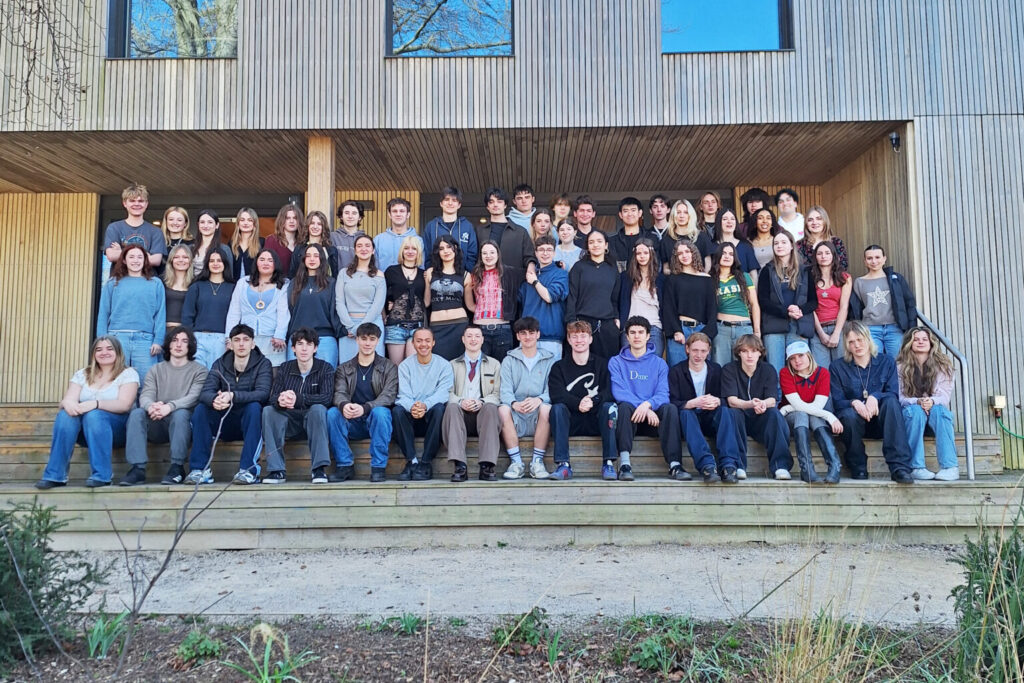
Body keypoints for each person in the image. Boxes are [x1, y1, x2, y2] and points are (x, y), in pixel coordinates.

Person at [35, 337, 140, 489]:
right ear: (93, 354)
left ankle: (102, 476)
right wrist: (68, 403)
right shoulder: (83, 374)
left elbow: (124, 405)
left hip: (116, 431)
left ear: (118, 352)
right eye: (99, 349)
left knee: (94, 415)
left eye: (109, 348)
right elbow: (68, 399)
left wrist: (95, 404)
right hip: (86, 432)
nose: (104, 352)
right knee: (65, 415)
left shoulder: (128, 373)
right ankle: (55, 476)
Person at [185, 324, 273, 485]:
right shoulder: (219, 364)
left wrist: (232, 395)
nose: (241, 344)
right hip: (223, 421)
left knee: (255, 408)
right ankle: (200, 470)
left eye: (246, 340)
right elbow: (205, 393)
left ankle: (248, 471)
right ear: (230, 344)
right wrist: (215, 400)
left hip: (249, 423)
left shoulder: (263, 363)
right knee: (201, 409)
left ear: (253, 344)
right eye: (237, 340)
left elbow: (263, 394)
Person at [829, 321, 915, 483]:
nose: (857, 345)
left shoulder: (886, 362)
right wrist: (854, 402)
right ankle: (858, 466)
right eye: (851, 342)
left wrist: (875, 397)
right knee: (847, 414)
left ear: (868, 339)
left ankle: (900, 468)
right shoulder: (837, 367)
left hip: (882, 423)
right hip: (854, 426)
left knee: (891, 403)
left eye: (860, 340)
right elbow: (837, 401)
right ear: (846, 345)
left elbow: (893, 393)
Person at [121, 327, 208, 486]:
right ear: (168, 344)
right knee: (137, 413)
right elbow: (146, 395)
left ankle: (177, 467)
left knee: (181, 413)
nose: (179, 345)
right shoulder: (156, 369)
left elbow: (193, 397)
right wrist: (151, 406)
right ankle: (137, 469)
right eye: (174, 340)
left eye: (184, 341)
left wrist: (169, 407)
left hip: (183, 425)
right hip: (157, 421)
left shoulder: (200, 371)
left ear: (190, 345)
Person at [608, 317, 681, 481]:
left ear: (648, 336)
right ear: (627, 337)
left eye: (641, 332)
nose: (637, 336)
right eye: (632, 332)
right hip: (629, 420)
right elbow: (619, 392)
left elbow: (663, 394)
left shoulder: (659, 363)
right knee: (623, 406)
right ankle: (625, 465)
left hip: (654, 421)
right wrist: (644, 409)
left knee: (670, 409)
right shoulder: (616, 362)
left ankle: (675, 465)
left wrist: (648, 405)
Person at [261, 328, 335, 484]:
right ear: (293, 348)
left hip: (314, 421)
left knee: (318, 409)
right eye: (300, 344)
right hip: (290, 420)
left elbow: (327, 398)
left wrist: (299, 399)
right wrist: (280, 400)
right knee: (268, 411)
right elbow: (272, 397)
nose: (304, 348)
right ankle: (276, 470)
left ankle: (319, 469)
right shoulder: (285, 368)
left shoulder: (325, 368)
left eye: (309, 344)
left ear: (315, 348)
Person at [327, 322, 398, 483]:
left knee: (381, 412)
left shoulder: (388, 367)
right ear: (357, 340)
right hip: (352, 420)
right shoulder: (344, 368)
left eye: (372, 339)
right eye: (364, 339)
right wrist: (345, 405)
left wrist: (366, 408)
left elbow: (389, 396)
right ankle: (345, 465)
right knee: (332, 413)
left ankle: (378, 467)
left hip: (376, 421)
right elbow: (339, 393)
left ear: (377, 341)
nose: (367, 343)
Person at [549, 321, 618, 480]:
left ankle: (608, 463)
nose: (579, 340)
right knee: (557, 408)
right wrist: (577, 403)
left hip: (596, 420)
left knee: (610, 407)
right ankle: (563, 465)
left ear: (590, 339)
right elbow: (557, 394)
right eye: (574, 336)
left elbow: (610, 392)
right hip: (571, 421)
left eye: (583, 336)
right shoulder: (559, 367)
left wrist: (593, 401)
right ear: (568, 339)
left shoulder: (602, 364)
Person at [668, 332, 740, 483]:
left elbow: (727, 399)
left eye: (703, 351)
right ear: (687, 349)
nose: (698, 355)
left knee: (725, 411)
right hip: (689, 422)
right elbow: (672, 402)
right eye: (695, 350)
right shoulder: (676, 371)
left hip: (710, 417)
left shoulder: (716, 369)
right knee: (686, 413)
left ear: (709, 351)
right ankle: (707, 466)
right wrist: (692, 403)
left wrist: (717, 401)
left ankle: (728, 465)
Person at [722, 334, 793, 480]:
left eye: (754, 351)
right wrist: (750, 404)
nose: (750, 355)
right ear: (739, 353)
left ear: (760, 353)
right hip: (739, 418)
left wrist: (762, 404)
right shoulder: (729, 369)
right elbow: (731, 401)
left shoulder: (768, 369)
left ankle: (780, 466)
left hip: (760, 420)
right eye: (745, 351)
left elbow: (772, 400)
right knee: (732, 412)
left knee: (774, 413)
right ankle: (738, 465)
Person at [96, 243, 166, 381]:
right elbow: (103, 313)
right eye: (131, 257)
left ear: (145, 260)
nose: (136, 260)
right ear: (124, 260)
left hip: (145, 341)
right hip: (117, 339)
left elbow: (160, 313)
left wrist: (158, 340)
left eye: (140, 257)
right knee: (116, 382)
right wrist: (102, 341)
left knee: (146, 383)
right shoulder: (112, 283)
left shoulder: (155, 283)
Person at [897, 327, 959, 481]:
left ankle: (950, 467)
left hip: (935, 417)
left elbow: (944, 397)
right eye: (916, 339)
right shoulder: (900, 367)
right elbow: (900, 397)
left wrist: (931, 401)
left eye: (924, 339)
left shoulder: (944, 366)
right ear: (909, 343)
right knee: (915, 411)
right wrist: (918, 401)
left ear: (931, 343)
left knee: (940, 411)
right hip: (912, 417)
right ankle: (916, 467)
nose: (920, 342)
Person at [442, 325, 502, 482]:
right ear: (463, 339)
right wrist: (460, 401)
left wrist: (482, 402)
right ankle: (460, 465)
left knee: (491, 407)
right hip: (460, 415)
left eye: (477, 336)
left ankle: (487, 466)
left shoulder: (494, 364)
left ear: (482, 339)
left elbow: (497, 394)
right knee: (452, 407)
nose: (473, 339)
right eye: (469, 336)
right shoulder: (451, 365)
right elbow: (446, 392)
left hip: (484, 416)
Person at [497, 317, 556, 479]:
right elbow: (505, 390)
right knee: (502, 409)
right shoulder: (509, 360)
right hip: (516, 414)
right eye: (523, 333)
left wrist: (539, 399)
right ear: (517, 336)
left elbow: (553, 390)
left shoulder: (549, 360)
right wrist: (513, 403)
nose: (527, 337)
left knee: (547, 408)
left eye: (531, 332)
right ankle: (516, 463)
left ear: (538, 334)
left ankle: (537, 462)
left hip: (538, 415)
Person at [392, 327, 454, 481]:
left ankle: (426, 462)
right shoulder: (405, 366)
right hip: (411, 417)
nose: (423, 344)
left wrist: (425, 405)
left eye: (427, 340)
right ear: (413, 343)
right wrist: (413, 407)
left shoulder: (444, 365)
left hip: (431, 418)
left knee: (440, 409)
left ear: (433, 343)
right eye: (419, 341)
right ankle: (412, 461)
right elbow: (403, 394)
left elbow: (444, 393)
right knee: (397, 411)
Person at [779, 341, 842, 484]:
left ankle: (835, 466)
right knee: (802, 414)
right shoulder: (785, 373)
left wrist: (788, 407)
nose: (797, 361)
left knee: (813, 415)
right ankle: (806, 469)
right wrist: (829, 416)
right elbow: (798, 405)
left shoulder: (822, 373)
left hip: (813, 416)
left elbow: (818, 406)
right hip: (792, 420)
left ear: (809, 355)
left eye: (800, 356)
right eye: (792, 358)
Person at [757, 231, 817, 372]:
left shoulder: (805, 271)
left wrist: (800, 310)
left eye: (783, 242)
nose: (779, 246)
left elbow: (813, 301)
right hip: (774, 327)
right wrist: (786, 312)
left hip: (798, 326)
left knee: (799, 370)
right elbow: (763, 301)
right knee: (776, 370)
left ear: (791, 246)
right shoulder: (767, 270)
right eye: (776, 243)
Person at [226, 248, 290, 367]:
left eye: (270, 260)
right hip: (246, 341)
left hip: (272, 342)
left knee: (272, 375)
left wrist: (280, 335)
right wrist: (229, 338)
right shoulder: (243, 283)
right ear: (256, 262)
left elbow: (283, 312)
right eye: (262, 259)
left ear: (276, 264)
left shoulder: (283, 284)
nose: (266, 263)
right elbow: (234, 312)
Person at [851, 245, 918, 357]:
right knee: (875, 361)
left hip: (895, 328)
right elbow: (855, 309)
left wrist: (912, 328)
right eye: (869, 258)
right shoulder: (859, 282)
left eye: (877, 257)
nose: (874, 261)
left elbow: (909, 303)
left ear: (884, 259)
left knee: (897, 362)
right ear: (865, 261)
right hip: (870, 329)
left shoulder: (895, 279)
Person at [662, 239, 717, 367]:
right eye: (680, 253)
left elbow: (712, 309)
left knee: (701, 372)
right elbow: (668, 307)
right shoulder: (673, 279)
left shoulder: (706, 279)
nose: (684, 255)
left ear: (694, 253)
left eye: (687, 251)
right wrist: (676, 330)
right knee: (677, 372)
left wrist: (706, 333)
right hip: (680, 331)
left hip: (701, 330)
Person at [566, 230, 621, 359]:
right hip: (582, 325)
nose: (595, 245)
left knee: (607, 365)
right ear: (587, 246)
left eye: (599, 241)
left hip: (607, 325)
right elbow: (572, 297)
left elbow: (614, 298)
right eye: (591, 242)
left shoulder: (612, 269)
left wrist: (616, 319)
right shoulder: (579, 267)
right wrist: (571, 322)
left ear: (606, 245)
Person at [287, 244, 344, 367]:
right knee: (294, 376)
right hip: (298, 338)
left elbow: (336, 310)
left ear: (322, 259)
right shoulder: (294, 283)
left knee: (326, 376)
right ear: (303, 259)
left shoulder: (331, 283)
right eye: (308, 256)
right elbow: (289, 310)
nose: (312, 259)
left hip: (325, 338)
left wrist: (343, 330)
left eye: (316, 256)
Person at [466, 240, 521, 362]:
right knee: (480, 368)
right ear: (480, 256)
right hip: (480, 329)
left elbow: (529, 273)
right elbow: (470, 305)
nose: (488, 256)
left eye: (492, 252)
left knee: (502, 368)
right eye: (484, 253)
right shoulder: (474, 275)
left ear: (498, 254)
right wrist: (483, 310)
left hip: (502, 329)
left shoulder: (508, 273)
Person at [182, 249, 236, 368]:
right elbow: (187, 315)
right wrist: (190, 338)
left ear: (225, 263)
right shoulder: (196, 286)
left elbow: (236, 315)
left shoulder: (233, 288)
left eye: (219, 260)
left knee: (217, 375)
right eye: (211, 261)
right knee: (197, 374)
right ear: (207, 264)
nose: (215, 264)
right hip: (198, 337)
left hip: (222, 339)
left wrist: (231, 339)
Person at [335, 234, 386, 362]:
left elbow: (377, 306)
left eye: (367, 246)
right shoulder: (343, 273)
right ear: (355, 250)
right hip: (348, 327)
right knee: (347, 367)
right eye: (359, 246)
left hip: (372, 325)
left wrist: (361, 329)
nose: (363, 249)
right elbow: (339, 302)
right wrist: (351, 327)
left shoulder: (379, 275)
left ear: (373, 250)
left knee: (373, 367)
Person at [710, 243, 760, 367]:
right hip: (721, 329)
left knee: (745, 368)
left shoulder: (744, 276)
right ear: (718, 255)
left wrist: (757, 331)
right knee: (720, 368)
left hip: (744, 328)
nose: (727, 256)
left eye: (731, 254)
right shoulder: (710, 279)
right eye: (724, 253)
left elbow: (754, 304)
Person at [424, 235, 473, 361]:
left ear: (455, 248)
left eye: (448, 247)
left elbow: (470, 305)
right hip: (437, 326)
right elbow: (426, 302)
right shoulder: (430, 272)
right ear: (437, 252)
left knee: (459, 365)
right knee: (439, 364)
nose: (446, 251)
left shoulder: (466, 275)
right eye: (441, 248)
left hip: (459, 325)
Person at [520, 235, 569, 360]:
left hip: (550, 338)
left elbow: (550, 297)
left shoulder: (561, 274)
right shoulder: (528, 276)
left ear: (554, 253)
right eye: (541, 250)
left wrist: (535, 281)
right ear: (536, 253)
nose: (545, 253)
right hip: (528, 336)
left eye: (549, 250)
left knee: (551, 373)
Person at [383, 235, 427, 365]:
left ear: (418, 252)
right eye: (406, 248)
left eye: (414, 248)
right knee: (396, 367)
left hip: (417, 327)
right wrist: (384, 314)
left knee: (412, 367)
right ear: (402, 251)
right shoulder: (391, 271)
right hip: (395, 326)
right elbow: (382, 295)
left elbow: (426, 300)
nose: (410, 251)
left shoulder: (423, 274)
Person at [618, 238, 665, 357]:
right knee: (629, 363)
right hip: (630, 327)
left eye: (645, 253)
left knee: (653, 363)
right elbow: (618, 301)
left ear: (651, 254)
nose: (642, 256)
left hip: (654, 327)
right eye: (639, 253)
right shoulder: (625, 278)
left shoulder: (661, 279)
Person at [809, 241, 852, 368]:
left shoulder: (844, 277)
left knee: (842, 369)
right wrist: (821, 333)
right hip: (818, 329)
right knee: (822, 370)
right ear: (815, 257)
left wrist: (837, 333)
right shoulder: (809, 277)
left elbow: (844, 306)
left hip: (839, 327)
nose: (823, 256)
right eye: (819, 253)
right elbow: (810, 307)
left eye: (827, 253)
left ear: (833, 255)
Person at [103, 183, 165, 269]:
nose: (136, 204)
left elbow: (156, 260)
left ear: (146, 204)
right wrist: (146, 256)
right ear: (125, 203)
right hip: (120, 276)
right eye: (132, 201)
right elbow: (111, 256)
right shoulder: (114, 228)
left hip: (147, 277)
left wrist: (122, 252)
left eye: (141, 201)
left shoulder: (155, 231)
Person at [476, 187, 535, 270]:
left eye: (499, 201)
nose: (495, 205)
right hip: (485, 276)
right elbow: (474, 257)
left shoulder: (520, 232)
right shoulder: (480, 231)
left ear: (505, 205)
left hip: (514, 276)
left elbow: (529, 257)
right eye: (491, 202)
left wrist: (531, 268)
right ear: (487, 206)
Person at [422, 187, 478, 270]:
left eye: (454, 200)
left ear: (459, 205)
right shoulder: (431, 226)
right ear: (441, 203)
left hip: (462, 275)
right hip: (436, 274)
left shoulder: (467, 226)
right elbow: (426, 253)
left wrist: (466, 272)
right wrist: (431, 270)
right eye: (446, 199)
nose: (450, 203)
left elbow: (472, 255)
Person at [662, 199, 713, 272]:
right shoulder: (666, 240)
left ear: (690, 215)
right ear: (673, 215)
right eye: (678, 212)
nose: (682, 216)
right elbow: (665, 268)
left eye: (686, 212)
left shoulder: (702, 237)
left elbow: (708, 264)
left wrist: (702, 276)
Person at [374, 197, 422, 271]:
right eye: (394, 211)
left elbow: (421, 266)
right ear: (389, 214)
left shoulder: (418, 240)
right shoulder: (378, 240)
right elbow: (373, 267)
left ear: (408, 214)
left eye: (402, 211)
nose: (398, 214)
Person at [712, 208, 759, 279]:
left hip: (743, 285)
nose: (729, 222)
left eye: (732, 219)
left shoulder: (746, 246)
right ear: (719, 222)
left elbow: (753, 274)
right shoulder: (711, 246)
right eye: (725, 219)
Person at [290, 210, 339, 278]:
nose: (315, 227)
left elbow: (334, 275)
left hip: (325, 284)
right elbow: (292, 274)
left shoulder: (331, 250)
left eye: (319, 224)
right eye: (312, 223)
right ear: (308, 225)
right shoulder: (299, 249)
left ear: (323, 227)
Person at [608, 197, 652, 272]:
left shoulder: (651, 238)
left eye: (633, 210)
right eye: (625, 211)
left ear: (640, 213)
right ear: (620, 215)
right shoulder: (612, 242)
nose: (630, 214)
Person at [798, 206, 848, 270]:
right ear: (806, 223)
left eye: (819, 218)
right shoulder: (800, 245)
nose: (814, 222)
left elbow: (843, 266)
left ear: (825, 221)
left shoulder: (836, 242)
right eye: (810, 220)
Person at [191, 209, 234, 278]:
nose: (206, 226)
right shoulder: (191, 248)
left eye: (210, 222)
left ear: (217, 225)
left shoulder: (225, 249)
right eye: (202, 222)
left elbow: (229, 274)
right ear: (198, 225)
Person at [264, 204, 303, 274]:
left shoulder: (303, 243)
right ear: (281, 220)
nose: (291, 221)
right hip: (277, 280)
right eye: (287, 218)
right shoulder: (272, 240)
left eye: (295, 218)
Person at [163, 244, 194, 328]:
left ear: (190, 261)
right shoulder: (161, 282)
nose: (181, 260)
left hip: (186, 331)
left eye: (185, 257)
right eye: (176, 257)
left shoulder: (196, 283)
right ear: (171, 260)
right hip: (164, 330)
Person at [331, 199, 367, 271]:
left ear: (360, 217)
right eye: (347, 213)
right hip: (337, 278)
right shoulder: (332, 237)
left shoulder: (365, 240)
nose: (350, 216)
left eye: (354, 213)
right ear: (341, 216)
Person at [230, 207, 262, 281]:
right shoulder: (231, 244)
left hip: (255, 285)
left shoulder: (262, 243)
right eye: (242, 220)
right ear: (238, 223)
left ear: (254, 223)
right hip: (234, 286)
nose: (245, 223)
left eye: (250, 220)